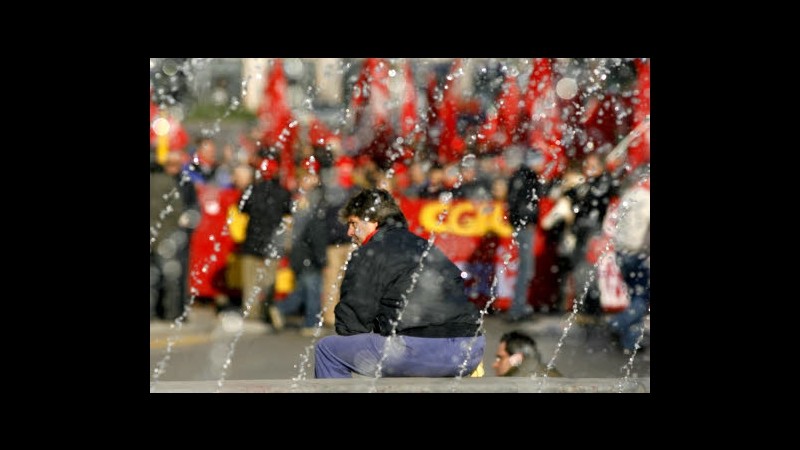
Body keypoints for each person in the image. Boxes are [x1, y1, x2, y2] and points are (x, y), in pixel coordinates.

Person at [314, 188, 485, 378]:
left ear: (373, 221)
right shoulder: (423, 245)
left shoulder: (370, 253)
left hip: (424, 349)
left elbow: (352, 324)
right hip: (470, 348)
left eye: (353, 224)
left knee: (328, 350)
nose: (349, 232)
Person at [492, 331, 562, 377]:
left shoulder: (521, 384)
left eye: (500, 358)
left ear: (517, 359)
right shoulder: (547, 376)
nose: (494, 365)